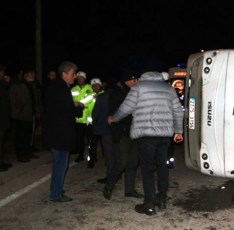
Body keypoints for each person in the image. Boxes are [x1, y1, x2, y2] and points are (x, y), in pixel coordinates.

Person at [108, 71, 184, 216]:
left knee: (147, 169)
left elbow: (126, 108)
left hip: (146, 134)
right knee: (162, 167)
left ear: (143, 77)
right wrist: (178, 131)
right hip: (164, 135)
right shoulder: (168, 89)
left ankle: (149, 204)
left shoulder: (139, 88)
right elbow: (178, 111)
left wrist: (114, 118)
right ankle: (161, 198)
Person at [42, 61, 83, 202]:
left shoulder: (57, 87)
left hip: (55, 133)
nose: (75, 76)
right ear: (64, 74)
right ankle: (56, 194)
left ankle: (56, 188)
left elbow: (59, 108)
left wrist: (72, 105)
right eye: (73, 73)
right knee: (61, 164)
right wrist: (79, 107)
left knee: (59, 163)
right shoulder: (61, 88)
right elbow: (67, 111)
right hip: (60, 134)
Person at [102, 71, 143, 200]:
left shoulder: (134, 92)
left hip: (134, 131)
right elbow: (118, 114)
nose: (137, 82)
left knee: (133, 162)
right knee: (122, 162)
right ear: (128, 80)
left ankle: (129, 190)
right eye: (134, 80)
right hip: (122, 132)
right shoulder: (117, 93)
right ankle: (109, 186)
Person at [8, 66, 42, 162]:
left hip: (29, 115)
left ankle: (27, 152)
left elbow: (34, 100)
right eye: (31, 74)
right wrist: (19, 110)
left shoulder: (31, 85)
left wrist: (36, 111)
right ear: (25, 75)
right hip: (20, 116)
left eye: (33, 74)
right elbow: (13, 99)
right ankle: (21, 155)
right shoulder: (18, 85)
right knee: (20, 136)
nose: (33, 75)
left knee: (28, 135)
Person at [70, 71, 93, 162]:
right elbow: (70, 101)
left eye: (82, 78)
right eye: (78, 78)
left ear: (85, 78)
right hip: (78, 119)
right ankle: (80, 155)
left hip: (88, 119)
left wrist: (80, 103)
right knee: (79, 140)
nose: (80, 79)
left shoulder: (90, 87)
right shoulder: (73, 89)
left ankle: (91, 157)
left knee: (90, 140)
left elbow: (92, 97)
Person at [0, 64, 12, 171]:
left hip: (3, 118)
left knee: (2, 141)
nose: (3, 75)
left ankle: (2, 162)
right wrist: (6, 83)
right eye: (2, 73)